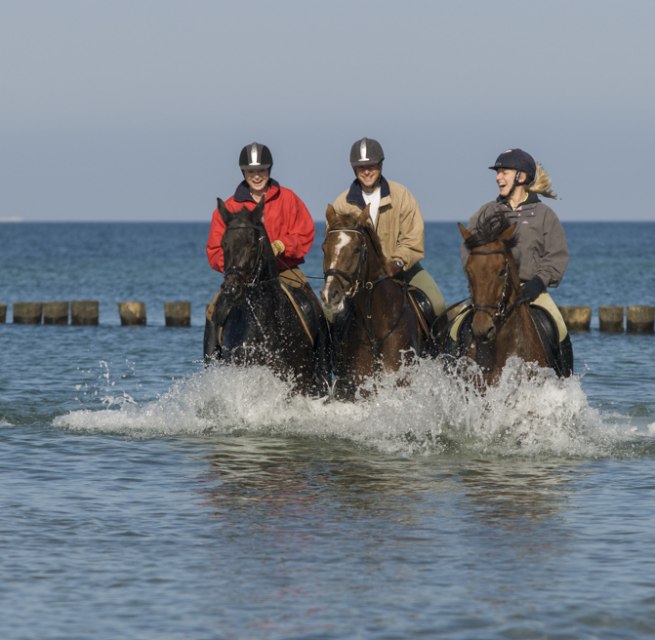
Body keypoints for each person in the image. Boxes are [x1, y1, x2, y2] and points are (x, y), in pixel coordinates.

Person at [461, 147, 573, 374]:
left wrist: (539, 282)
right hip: (489, 294)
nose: (497, 177)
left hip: (531, 292)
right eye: (497, 172)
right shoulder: (486, 212)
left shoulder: (544, 215)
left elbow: (556, 255)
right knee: (456, 329)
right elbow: (468, 250)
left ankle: (564, 380)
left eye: (504, 172)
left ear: (521, 177)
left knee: (558, 328)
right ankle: (451, 376)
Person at [204, 142, 318, 360]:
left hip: (283, 270)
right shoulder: (229, 207)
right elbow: (215, 249)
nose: (257, 176)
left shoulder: (288, 198)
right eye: (251, 172)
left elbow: (304, 232)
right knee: (212, 310)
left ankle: (322, 363)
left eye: (261, 171)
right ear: (244, 173)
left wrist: (282, 245)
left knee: (311, 305)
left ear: (269, 170)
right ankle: (211, 365)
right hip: (241, 276)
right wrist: (235, 266)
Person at [329, 137, 446, 320]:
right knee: (329, 313)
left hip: (402, 270)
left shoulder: (401, 195)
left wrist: (398, 261)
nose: (367, 172)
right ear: (354, 169)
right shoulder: (342, 204)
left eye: (372, 166)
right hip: (357, 276)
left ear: (381, 165)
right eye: (361, 167)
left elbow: (412, 238)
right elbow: (335, 247)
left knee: (437, 305)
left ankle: (438, 348)